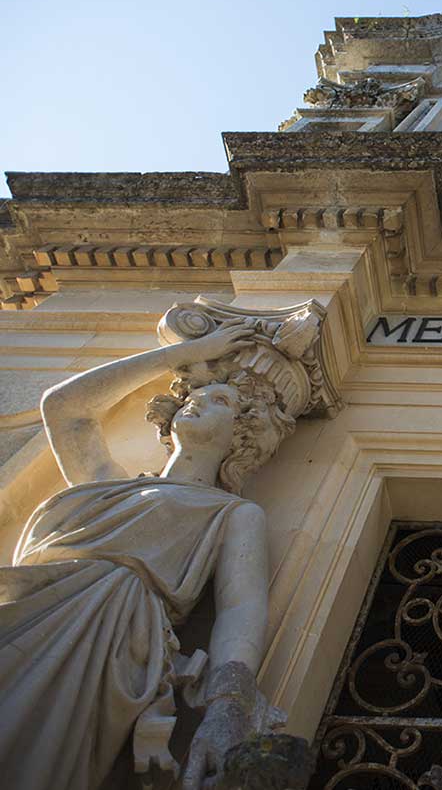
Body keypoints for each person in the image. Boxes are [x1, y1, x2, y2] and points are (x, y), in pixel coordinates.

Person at [0, 320, 289, 790]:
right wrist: (187, 352)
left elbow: (241, 609)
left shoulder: (234, 513)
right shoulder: (105, 481)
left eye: (221, 401)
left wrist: (228, 707)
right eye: (195, 395)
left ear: (242, 434)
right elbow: (63, 407)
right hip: (29, 610)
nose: (199, 399)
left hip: (111, 639)